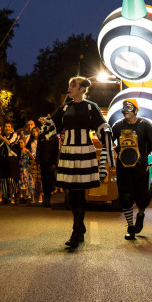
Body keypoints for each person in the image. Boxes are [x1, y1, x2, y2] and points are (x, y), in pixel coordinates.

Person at [50, 76, 106, 248]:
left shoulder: (91, 107)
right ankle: (80, 227)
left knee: (79, 192)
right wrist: (45, 125)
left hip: (84, 152)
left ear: (82, 88)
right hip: (68, 151)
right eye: (69, 85)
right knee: (72, 194)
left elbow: (101, 127)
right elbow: (53, 127)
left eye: (73, 85)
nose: (70, 88)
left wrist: (108, 134)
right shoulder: (65, 106)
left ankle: (76, 232)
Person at [105, 99, 152, 240]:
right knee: (125, 197)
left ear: (136, 110)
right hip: (123, 169)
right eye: (124, 111)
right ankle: (130, 227)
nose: (126, 113)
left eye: (128, 110)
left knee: (142, 197)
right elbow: (107, 142)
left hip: (140, 169)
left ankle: (140, 215)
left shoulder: (145, 125)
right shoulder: (118, 126)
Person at [36, 116, 60, 207]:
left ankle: (48, 198)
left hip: (50, 163)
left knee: (50, 180)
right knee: (44, 180)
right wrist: (37, 161)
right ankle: (46, 198)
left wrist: (54, 163)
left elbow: (56, 152)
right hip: (43, 162)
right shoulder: (41, 136)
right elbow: (38, 149)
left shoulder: (54, 137)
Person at [0, 123, 20, 204]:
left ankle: (15, 194)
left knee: (11, 178)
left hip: (12, 159)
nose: (7, 128)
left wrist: (0, 137)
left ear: (11, 128)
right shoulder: (2, 137)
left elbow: (10, 143)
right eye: (5, 126)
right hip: (3, 159)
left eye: (9, 126)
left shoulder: (15, 135)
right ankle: (5, 197)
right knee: (3, 179)